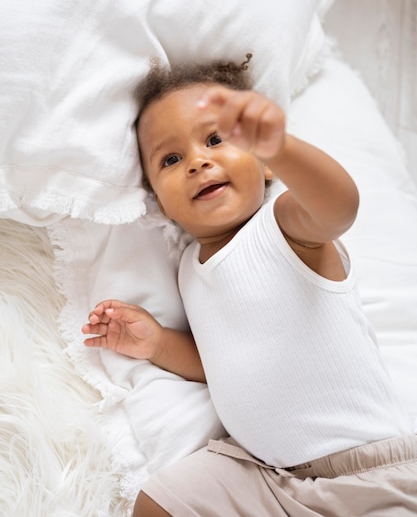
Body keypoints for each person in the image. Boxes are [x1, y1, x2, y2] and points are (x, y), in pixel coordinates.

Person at [82, 56, 417, 517]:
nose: (198, 162)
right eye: (172, 159)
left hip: (360, 474)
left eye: (217, 139)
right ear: (161, 202)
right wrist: (157, 343)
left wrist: (281, 146)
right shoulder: (188, 270)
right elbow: (221, 366)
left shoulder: (284, 229)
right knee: (160, 501)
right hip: (267, 476)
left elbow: (339, 206)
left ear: (265, 166)